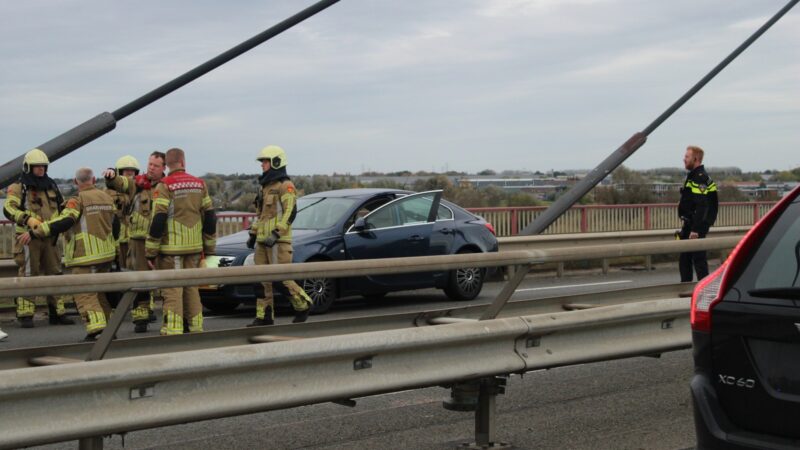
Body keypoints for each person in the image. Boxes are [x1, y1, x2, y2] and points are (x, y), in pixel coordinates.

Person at [22, 167, 119, 341]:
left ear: (76, 182)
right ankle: (110, 329)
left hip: (85, 256)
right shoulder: (106, 197)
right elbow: (116, 225)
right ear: (94, 179)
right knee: (100, 294)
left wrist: (35, 231)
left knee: (85, 293)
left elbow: (65, 221)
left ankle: (97, 330)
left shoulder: (77, 199)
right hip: (107, 254)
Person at [145, 148, 216, 335]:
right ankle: (195, 327)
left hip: (171, 249)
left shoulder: (164, 185)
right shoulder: (200, 184)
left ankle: (173, 330)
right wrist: (209, 247)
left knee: (172, 290)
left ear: (167, 164)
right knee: (191, 287)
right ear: (183, 162)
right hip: (194, 248)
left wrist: (151, 251)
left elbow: (158, 219)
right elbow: (210, 217)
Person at [2, 149, 75, 328]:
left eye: (43, 167)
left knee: (55, 273)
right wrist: (27, 219)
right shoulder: (18, 187)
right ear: (28, 168)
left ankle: (57, 313)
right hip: (28, 239)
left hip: (50, 237)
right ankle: (26, 315)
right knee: (29, 275)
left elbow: (61, 207)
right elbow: (9, 209)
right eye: (37, 167)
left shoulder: (52, 186)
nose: (41, 170)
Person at [247, 145, 313, 326]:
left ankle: (303, 304)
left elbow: (290, 212)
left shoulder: (286, 186)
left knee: (280, 279)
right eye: (262, 162)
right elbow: (260, 215)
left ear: (276, 162)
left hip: (278, 242)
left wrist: (277, 233)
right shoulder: (264, 188)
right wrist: (253, 234)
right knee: (260, 281)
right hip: (262, 241)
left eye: (265, 162)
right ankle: (264, 316)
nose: (262, 165)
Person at [104, 151, 166, 333]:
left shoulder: (166, 186)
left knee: (166, 281)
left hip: (161, 241)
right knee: (140, 281)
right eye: (150, 164)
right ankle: (141, 318)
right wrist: (112, 176)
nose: (151, 168)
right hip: (138, 241)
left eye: (155, 165)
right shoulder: (138, 185)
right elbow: (121, 183)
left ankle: (172, 316)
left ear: (163, 167)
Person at [678, 145, 718, 282]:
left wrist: (695, 229)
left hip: (696, 226)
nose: (684, 159)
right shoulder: (695, 175)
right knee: (686, 259)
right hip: (692, 224)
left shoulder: (699, 177)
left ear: (695, 159)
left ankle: (699, 293)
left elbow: (702, 205)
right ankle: (687, 292)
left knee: (697, 261)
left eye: (687, 157)